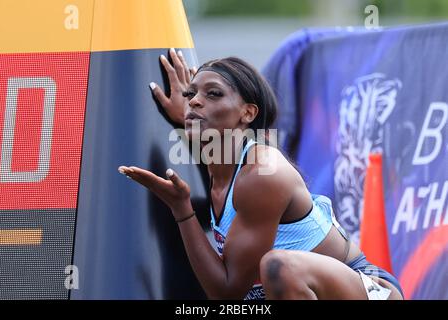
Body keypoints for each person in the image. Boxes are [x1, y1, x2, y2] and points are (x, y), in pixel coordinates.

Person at [118, 48, 403, 300]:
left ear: (248, 113)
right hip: (265, 294)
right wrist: (189, 119)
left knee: (277, 266)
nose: (193, 101)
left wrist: (182, 209)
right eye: (191, 94)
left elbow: (226, 292)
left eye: (213, 94)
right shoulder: (219, 157)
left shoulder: (262, 173)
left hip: (369, 289)